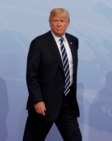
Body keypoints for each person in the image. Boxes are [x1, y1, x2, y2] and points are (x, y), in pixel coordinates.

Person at [23, 8, 82, 141]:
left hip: (67, 103)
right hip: (44, 104)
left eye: (62, 21)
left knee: (75, 138)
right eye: (55, 21)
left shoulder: (74, 41)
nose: (59, 24)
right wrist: (37, 100)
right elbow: (32, 74)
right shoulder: (39, 43)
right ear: (50, 23)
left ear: (68, 23)